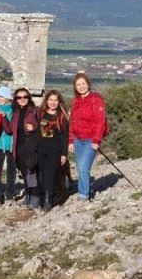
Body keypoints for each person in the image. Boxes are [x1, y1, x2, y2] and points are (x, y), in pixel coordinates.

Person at [68, 72, 107, 206]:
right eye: (78, 84)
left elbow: (100, 121)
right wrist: (71, 140)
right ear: (75, 87)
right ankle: (86, 191)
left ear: (88, 84)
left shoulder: (96, 99)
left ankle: (83, 196)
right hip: (78, 139)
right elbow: (72, 122)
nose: (81, 87)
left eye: (83, 84)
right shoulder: (75, 101)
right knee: (80, 168)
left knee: (83, 168)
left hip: (90, 139)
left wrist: (96, 140)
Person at [7, 88, 40, 208]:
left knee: (31, 172)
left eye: (25, 97)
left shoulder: (35, 111)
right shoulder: (15, 113)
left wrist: (34, 127)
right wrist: (2, 118)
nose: (22, 100)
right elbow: (10, 130)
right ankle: (29, 195)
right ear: (15, 100)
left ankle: (35, 197)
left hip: (30, 146)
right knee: (25, 173)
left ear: (29, 98)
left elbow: (41, 126)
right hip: (18, 147)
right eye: (19, 97)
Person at [37, 89, 69, 211]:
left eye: (55, 100)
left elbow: (64, 137)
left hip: (55, 150)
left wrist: (63, 154)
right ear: (46, 101)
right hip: (41, 150)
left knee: (49, 175)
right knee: (42, 175)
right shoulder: (41, 114)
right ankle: (46, 196)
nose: (53, 102)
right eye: (51, 100)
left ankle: (47, 201)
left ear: (59, 102)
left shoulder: (62, 116)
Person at [0, 86, 16, 204]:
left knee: (11, 170)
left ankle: (9, 194)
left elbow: (12, 127)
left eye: (2, 96)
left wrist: (4, 117)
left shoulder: (12, 110)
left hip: (11, 144)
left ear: (7, 98)